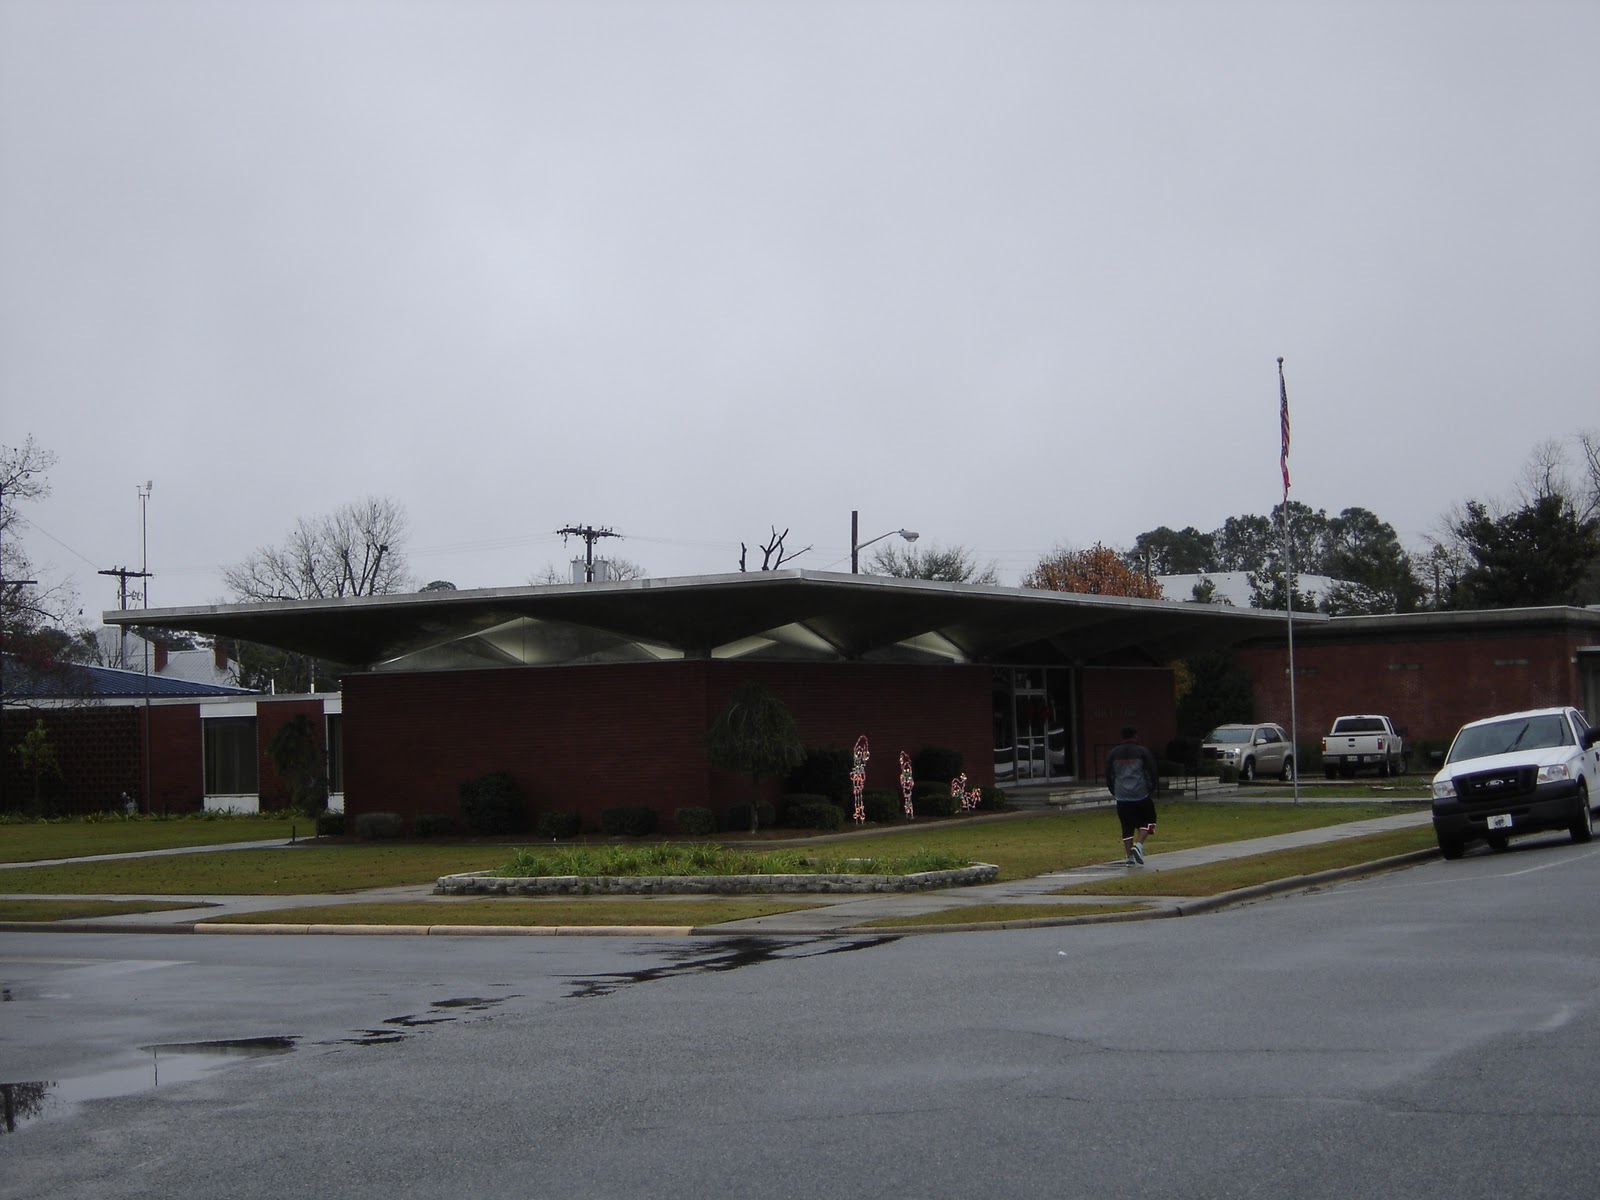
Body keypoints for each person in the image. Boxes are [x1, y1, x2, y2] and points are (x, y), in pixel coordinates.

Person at [1105, 725, 1159, 866]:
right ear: (1135, 736)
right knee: (1149, 821)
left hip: (1122, 795)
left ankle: (1129, 857)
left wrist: (1114, 790)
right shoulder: (1142, 752)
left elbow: (1109, 775)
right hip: (1141, 794)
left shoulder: (1113, 754)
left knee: (1126, 826)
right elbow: (1151, 772)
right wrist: (1151, 788)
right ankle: (1139, 844)